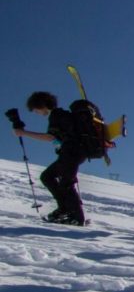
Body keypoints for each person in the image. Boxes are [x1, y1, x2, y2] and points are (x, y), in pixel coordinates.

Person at [12, 91, 86, 225]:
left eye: (35, 110)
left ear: (42, 105)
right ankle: (64, 209)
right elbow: (59, 138)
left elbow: (50, 137)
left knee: (66, 183)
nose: (36, 112)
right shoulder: (62, 115)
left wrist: (23, 133)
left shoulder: (57, 116)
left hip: (71, 153)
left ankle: (77, 218)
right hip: (73, 153)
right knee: (48, 176)